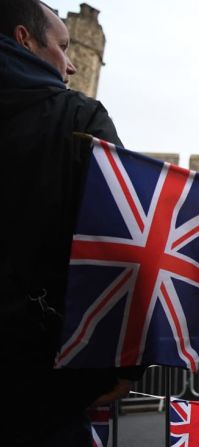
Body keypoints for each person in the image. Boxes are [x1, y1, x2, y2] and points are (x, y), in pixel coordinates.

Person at [0, 1, 140, 445]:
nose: (73, 64)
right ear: (25, 40)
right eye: (63, 47)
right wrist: (122, 364)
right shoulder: (78, 118)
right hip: (40, 384)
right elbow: (130, 244)